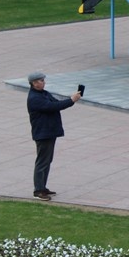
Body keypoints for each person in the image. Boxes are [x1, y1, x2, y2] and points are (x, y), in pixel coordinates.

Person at [27, 71, 81, 201]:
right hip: (43, 133)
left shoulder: (43, 93)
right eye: (41, 80)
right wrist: (71, 100)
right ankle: (38, 190)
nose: (43, 82)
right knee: (42, 162)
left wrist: (70, 99)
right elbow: (53, 106)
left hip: (49, 132)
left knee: (47, 161)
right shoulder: (35, 98)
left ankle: (42, 187)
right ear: (34, 83)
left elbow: (56, 103)